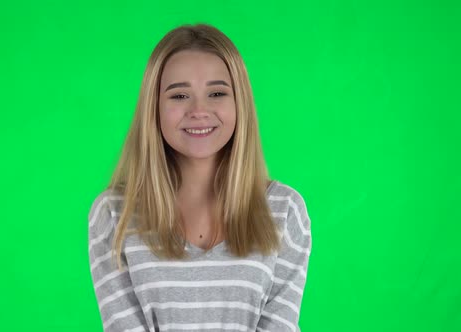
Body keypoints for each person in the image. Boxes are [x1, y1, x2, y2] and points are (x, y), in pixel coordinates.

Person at [88, 23, 312, 332]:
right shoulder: (115, 215)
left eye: (217, 93)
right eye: (179, 95)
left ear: (240, 104)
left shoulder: (285, 210)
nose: (199, 110)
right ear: (154, 107)